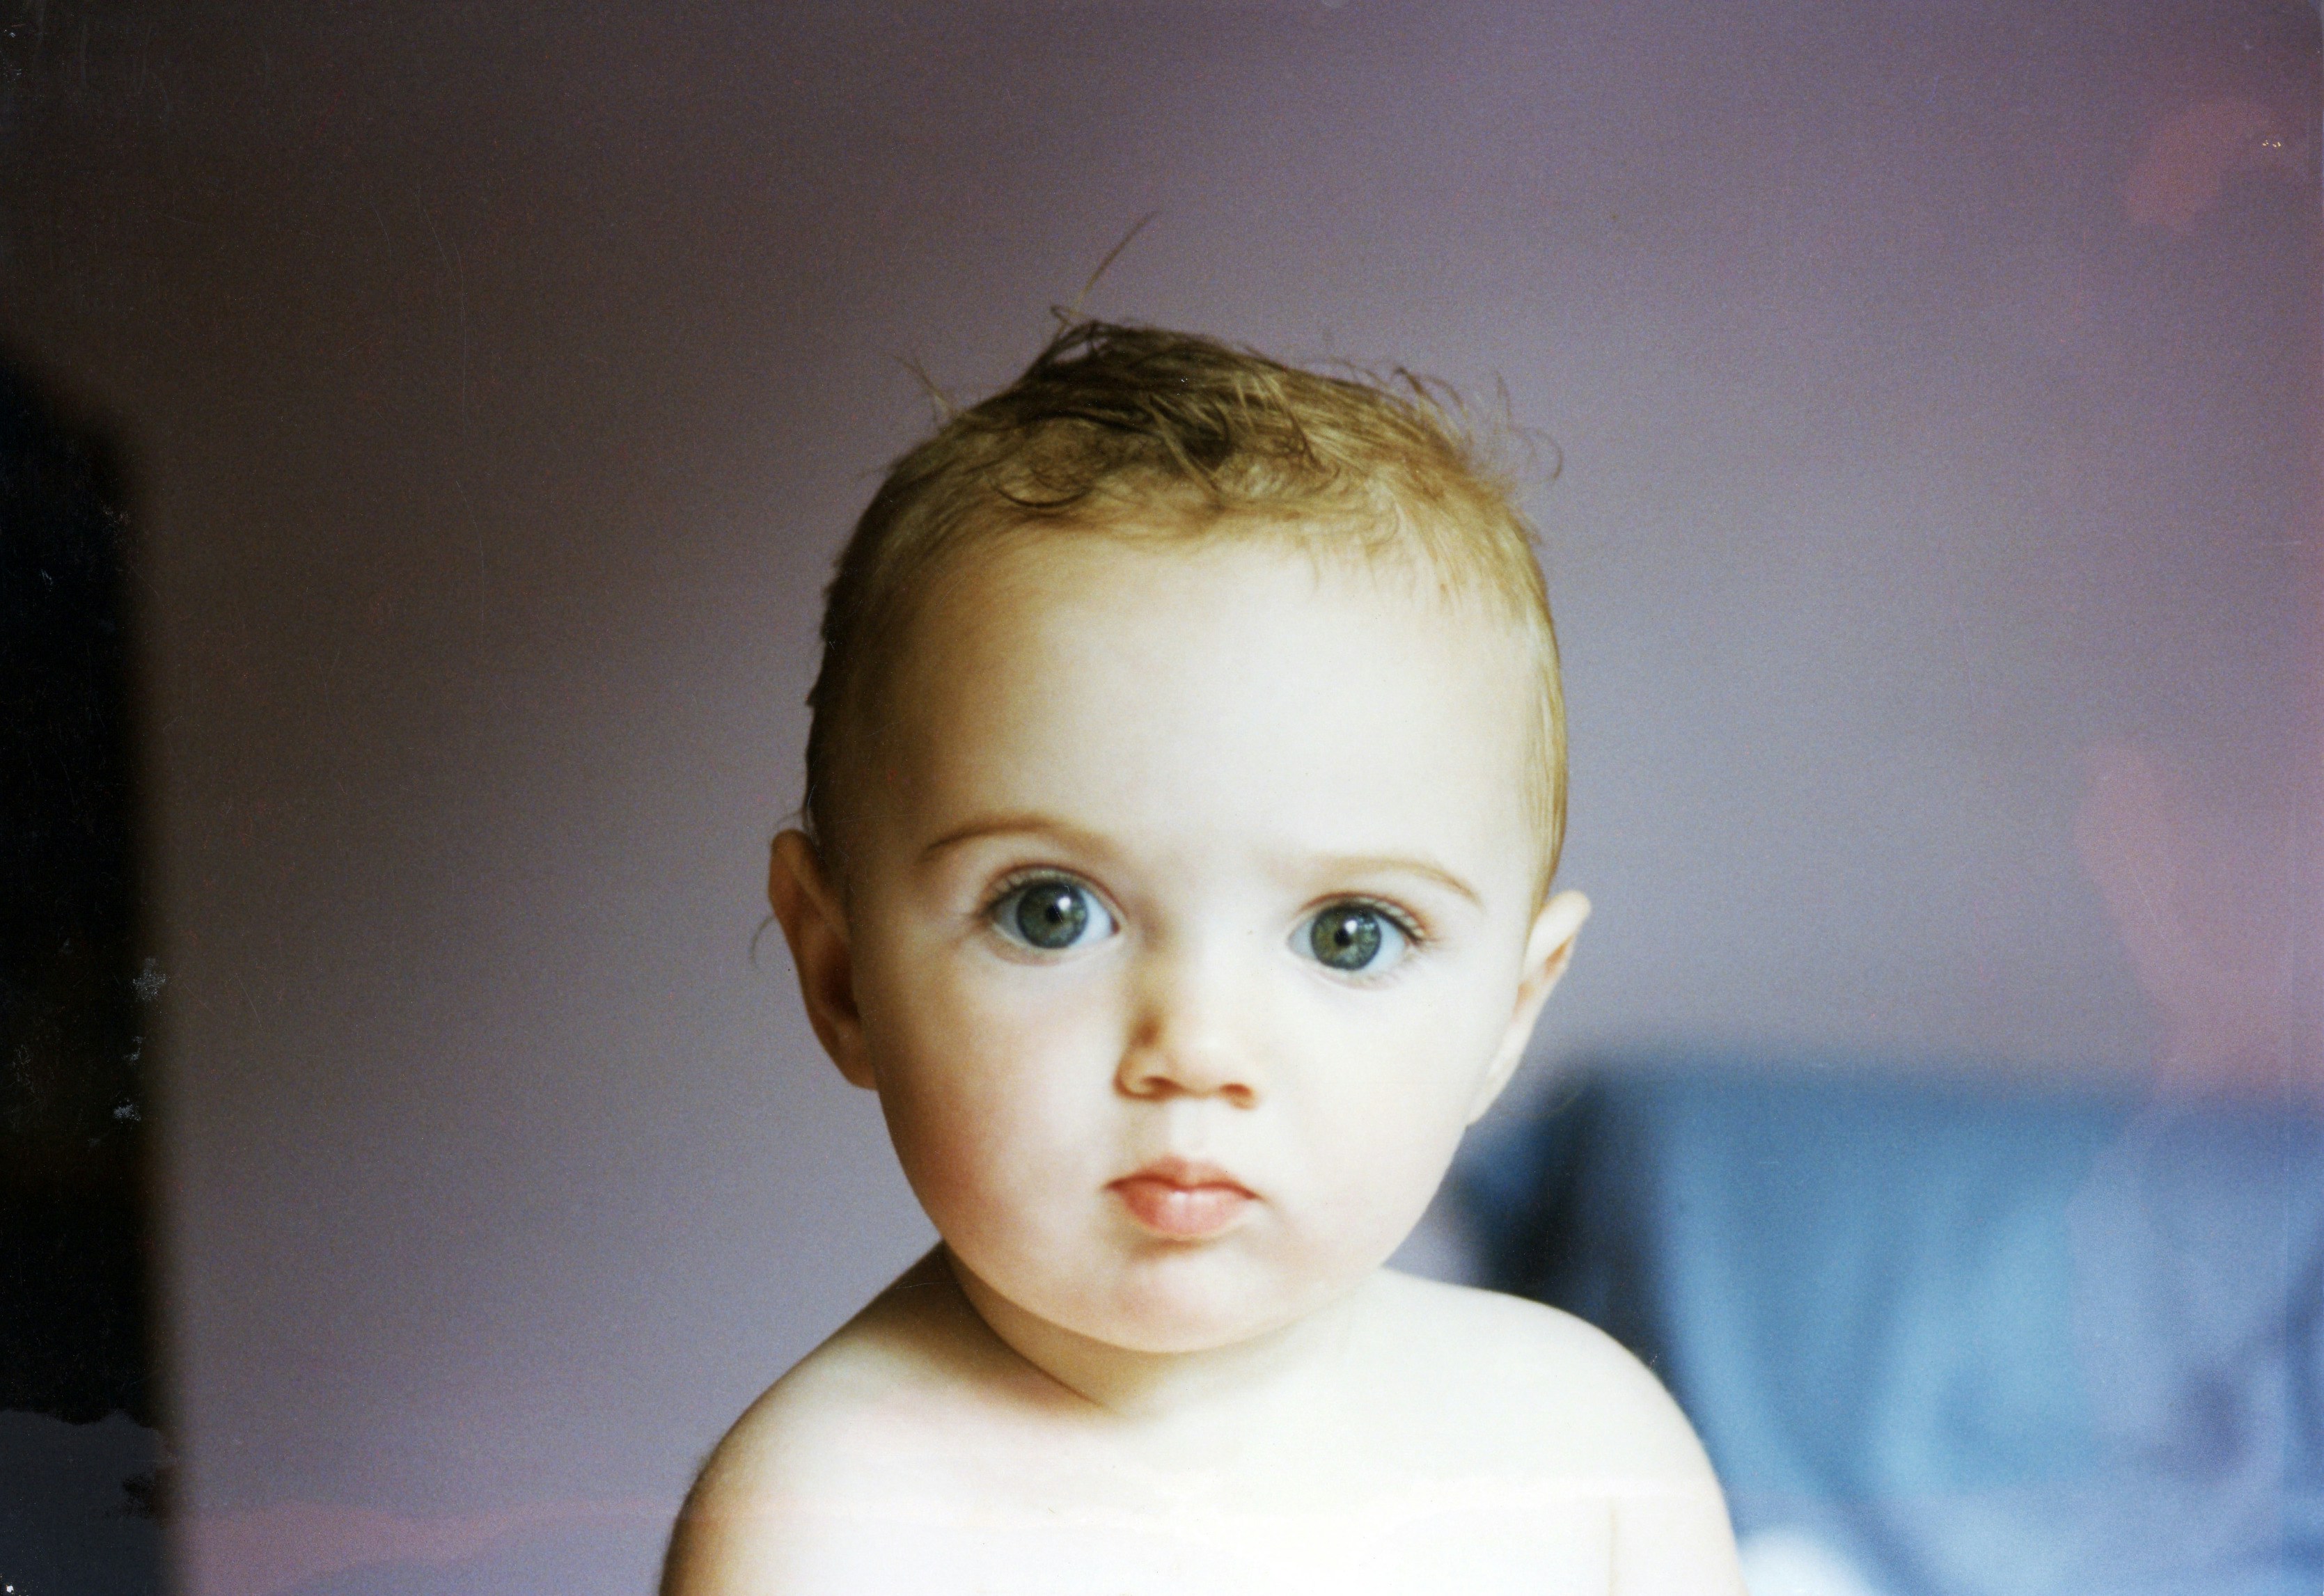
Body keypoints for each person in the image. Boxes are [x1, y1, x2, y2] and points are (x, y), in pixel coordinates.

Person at [661, 322, 1744, 1595]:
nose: (1198, 1047)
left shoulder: (1593, 1455)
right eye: (1051, 911)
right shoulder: (830, 1527)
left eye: (1350, 934)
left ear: (1509, 1010)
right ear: (841, 975)